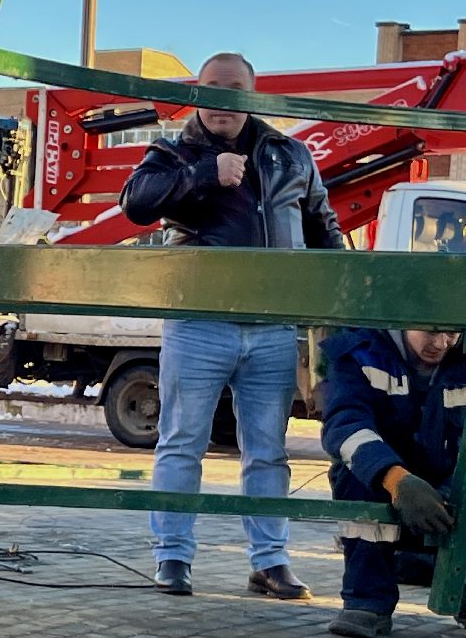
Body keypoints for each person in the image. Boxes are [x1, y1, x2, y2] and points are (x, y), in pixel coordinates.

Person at [121, 51, 346, 600]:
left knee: (268, 449)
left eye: (233, 88)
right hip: (199, 322)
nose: (222, 99)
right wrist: (203, 175)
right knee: (181, 442)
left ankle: (270, 561)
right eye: (211, 87)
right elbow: (135, 204)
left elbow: (323, 228)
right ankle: (172, 557)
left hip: (272, 327)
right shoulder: (173, 150)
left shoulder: (291, 154)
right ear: (199, 92)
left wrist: (341, 303)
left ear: (250, 92)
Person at [319, 326, 465, 638]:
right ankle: (367, 600)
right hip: (384, 478)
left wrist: (451, 490)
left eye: (452, 334)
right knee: (354, 476)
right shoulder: (359, 353)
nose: (440, 344)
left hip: (450, 479)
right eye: (431, 332)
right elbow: (345, 425)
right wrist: (395, 480)